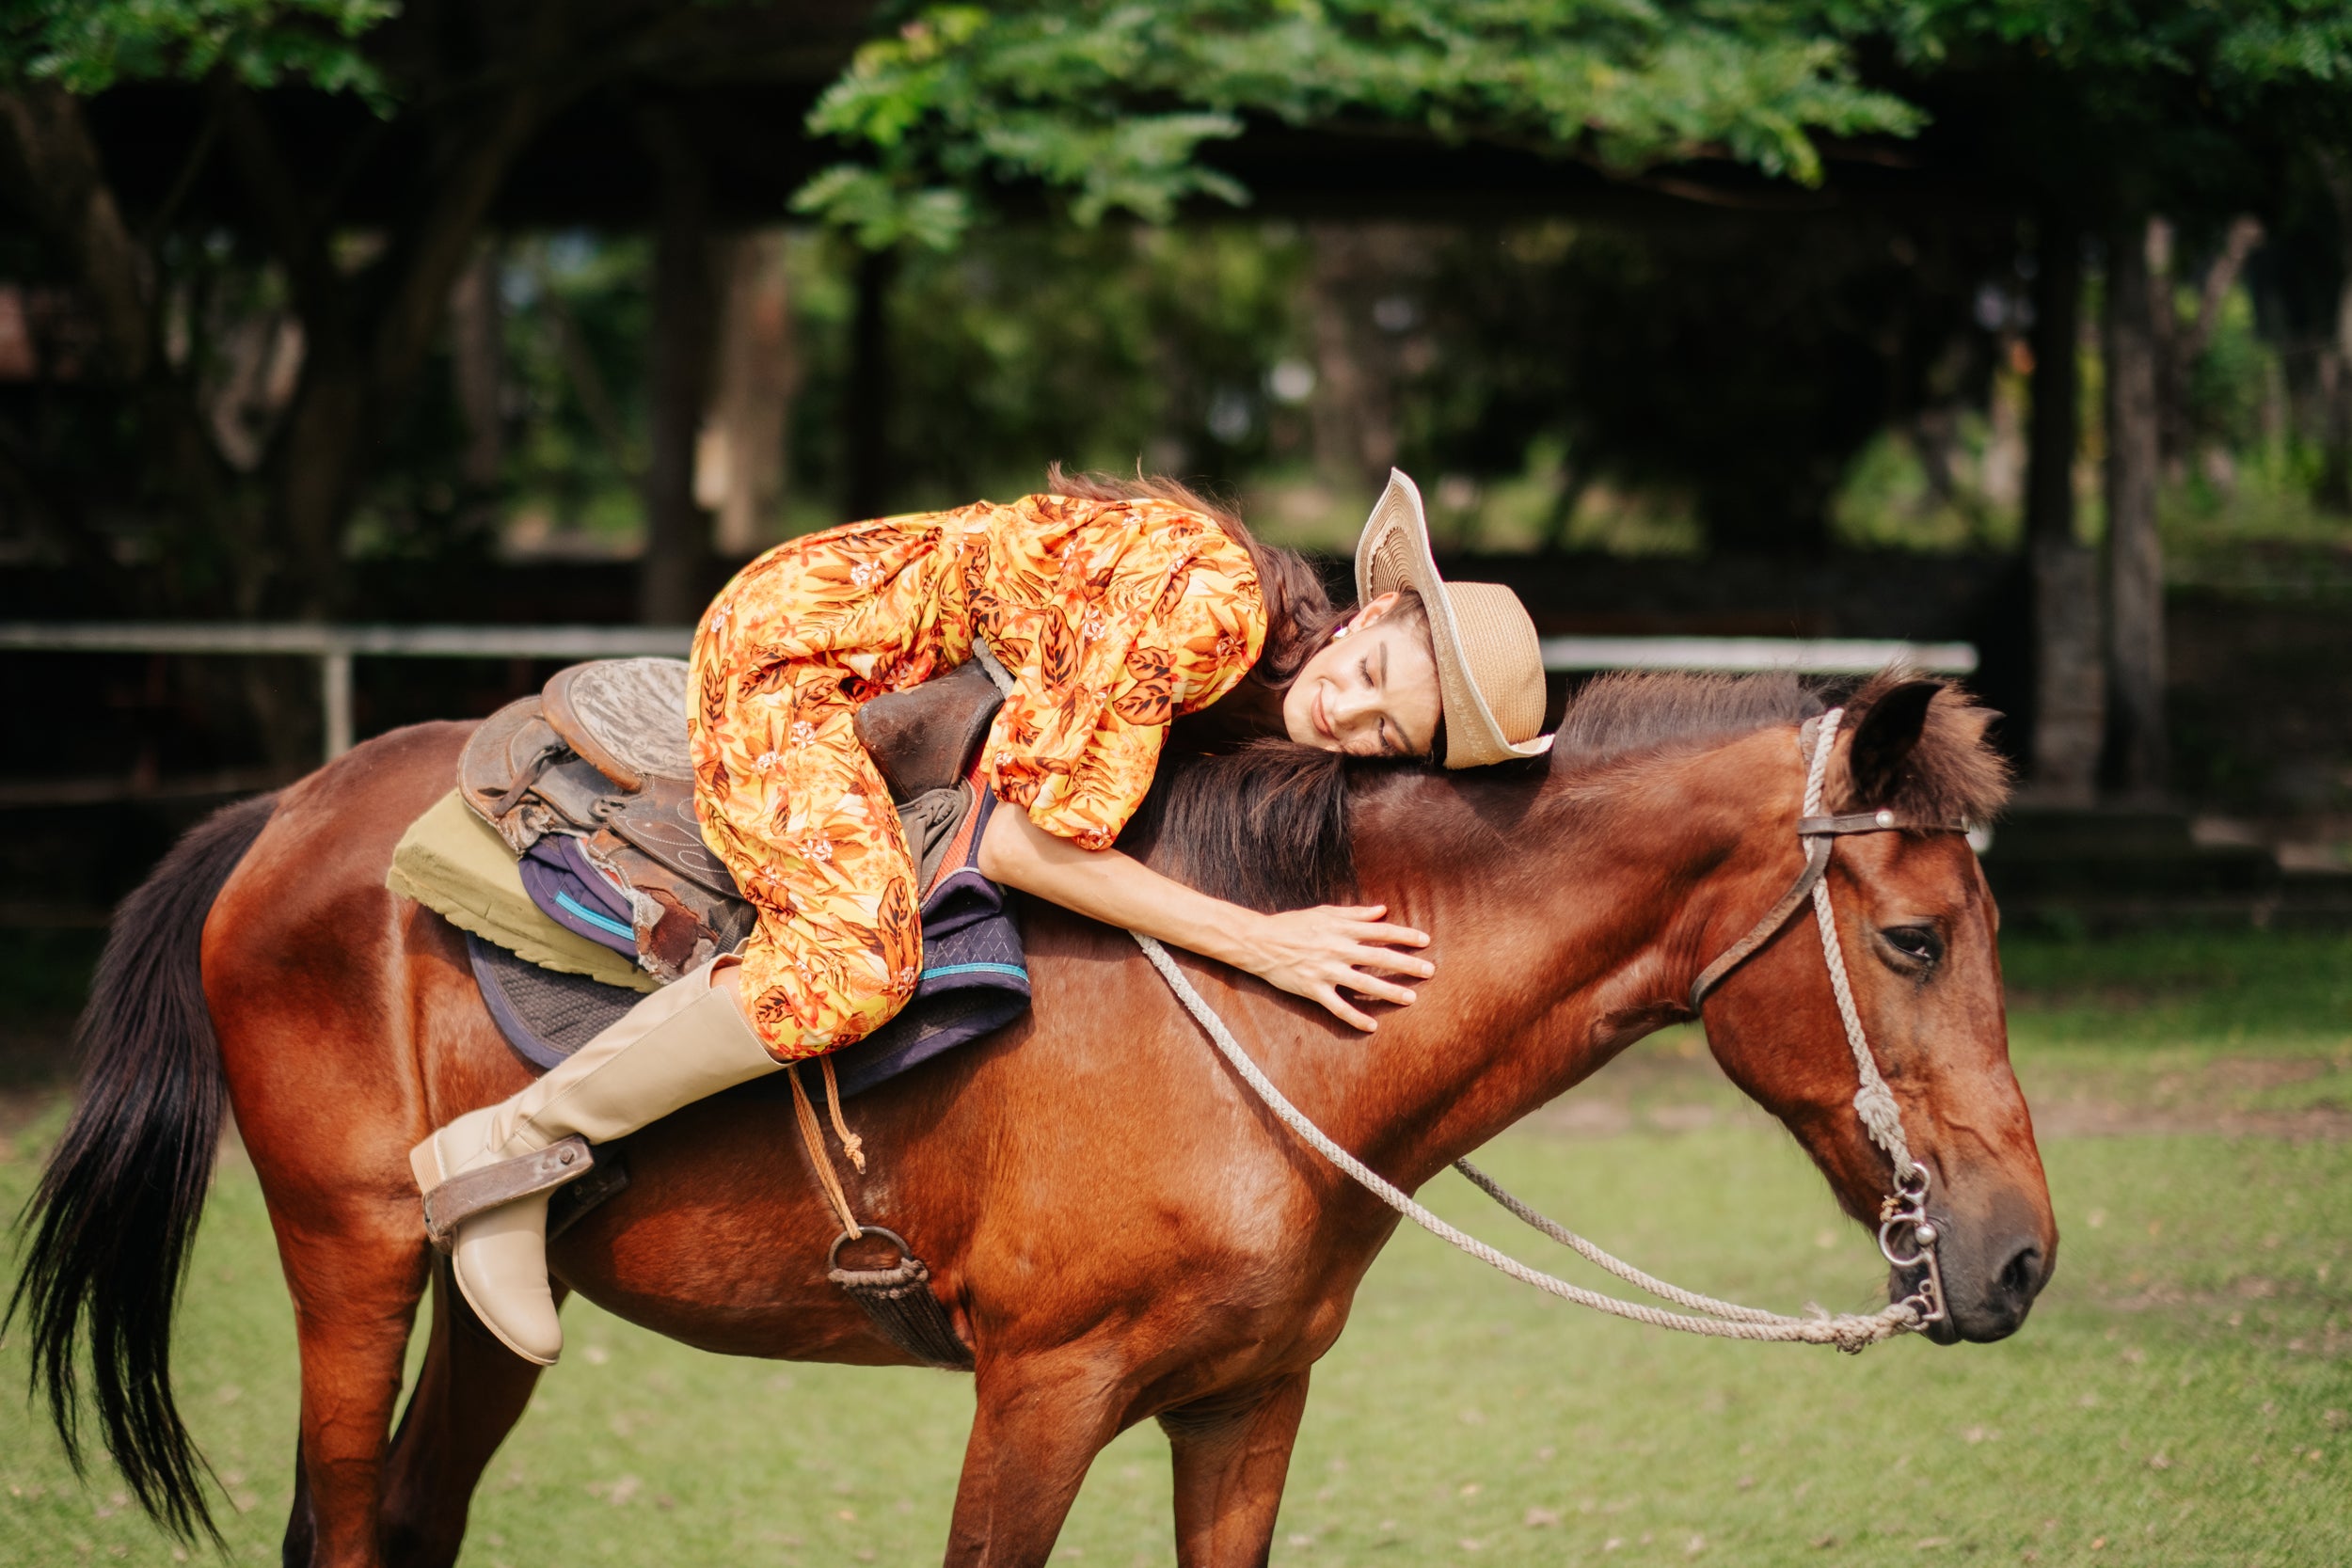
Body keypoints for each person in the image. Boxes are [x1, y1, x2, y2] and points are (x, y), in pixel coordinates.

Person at [412, 467, 1553, 1364]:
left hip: (888, 675)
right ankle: (510, 1148)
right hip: (799, 662)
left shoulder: (1249, 670)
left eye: (1383, 737)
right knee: (849, 965)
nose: (1346, 715)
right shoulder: (1207, 607)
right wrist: (1265, 941)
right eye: (1371, 677)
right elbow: (1022, 837)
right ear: (1364, 620)